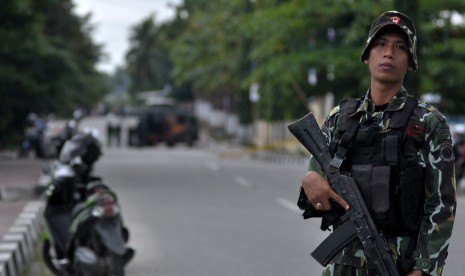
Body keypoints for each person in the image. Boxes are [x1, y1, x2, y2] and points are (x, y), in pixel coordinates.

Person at [298, 11, 456, 276]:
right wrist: (309, 179)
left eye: (400, 47)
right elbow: (316, 178)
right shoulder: (341, 118)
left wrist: (424, 269)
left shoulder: (428, 122)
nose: (388, 54)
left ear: (411, 62)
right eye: (380, 45)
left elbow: (441, 205)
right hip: (342, 266)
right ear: (367, 55)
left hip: (397, 265)